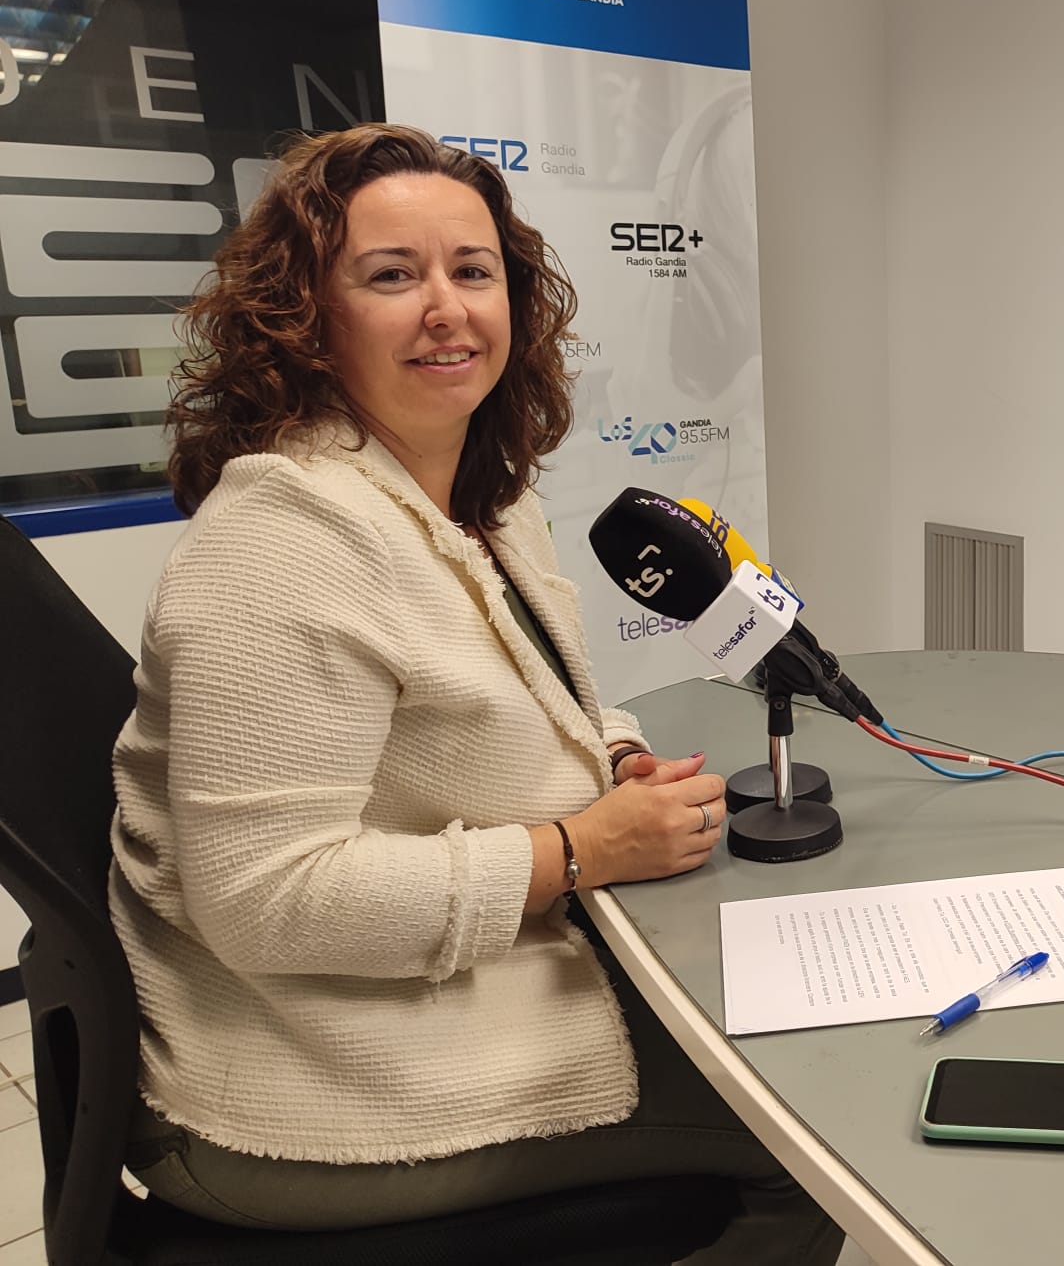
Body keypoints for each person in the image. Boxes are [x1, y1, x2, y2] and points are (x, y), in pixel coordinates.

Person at [107, 124, 842, 1260]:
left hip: (432, 998)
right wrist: (580, 850)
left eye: (473, 270)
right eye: (391, 276)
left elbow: (548, 696)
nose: (446, 308)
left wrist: (613, 760)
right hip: (314, 1085)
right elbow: (265, 900)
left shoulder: (482, 500)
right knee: (808, 1136)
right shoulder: (280, 540)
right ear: (303, 315)